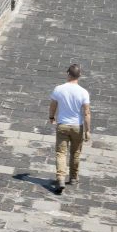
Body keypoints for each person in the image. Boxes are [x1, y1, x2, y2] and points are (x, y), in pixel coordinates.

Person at [48, 64, 91, 192]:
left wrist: (51, 117)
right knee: (75, 153)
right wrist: (88, 131)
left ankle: (61, 177)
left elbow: (53, 106)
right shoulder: (83, 92)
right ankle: (73, 177)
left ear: (68, 74)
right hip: (77, 126)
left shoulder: (59, 89)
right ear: (80, 76)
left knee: (61, 153)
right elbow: (87, 113)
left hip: (63, 125)